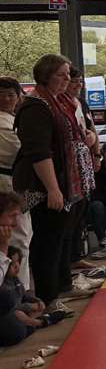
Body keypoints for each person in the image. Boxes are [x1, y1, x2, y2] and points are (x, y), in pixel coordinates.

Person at [12, 54, 94, 306]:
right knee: (48, 240)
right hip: (45, 185)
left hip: (65, 181)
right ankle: (48, 296)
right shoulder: (36, 107)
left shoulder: (60, 101)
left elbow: (71, 136)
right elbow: (39, 152)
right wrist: (53, 189)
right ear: (45, 75)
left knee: (62, 235)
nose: (67, 79)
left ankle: (63, 285)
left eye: (68, 74)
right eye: (61, 74)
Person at [0, 76, 32, 287]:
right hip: (7, 183)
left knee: (23, 236)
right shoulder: (2, 122)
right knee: (17, 238)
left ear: (19, 96)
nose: (6, 99)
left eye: (10, 95)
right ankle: (19, 291)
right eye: (1, 95)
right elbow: (21, 151)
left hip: (16, 181)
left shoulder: (12, 118)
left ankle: (22, 289)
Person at [0, 245, 50, 347]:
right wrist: (29, 306)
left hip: (21, 311)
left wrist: (37, 301)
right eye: (11, 263)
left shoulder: (15, 280)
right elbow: (11, 306)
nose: (16, 266)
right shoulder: (4, 284)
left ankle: (32, 323)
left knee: (36, 309)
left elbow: (24, 295)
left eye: (18, 262)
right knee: (18, 314)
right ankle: (37, 323)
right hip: (13, 312)